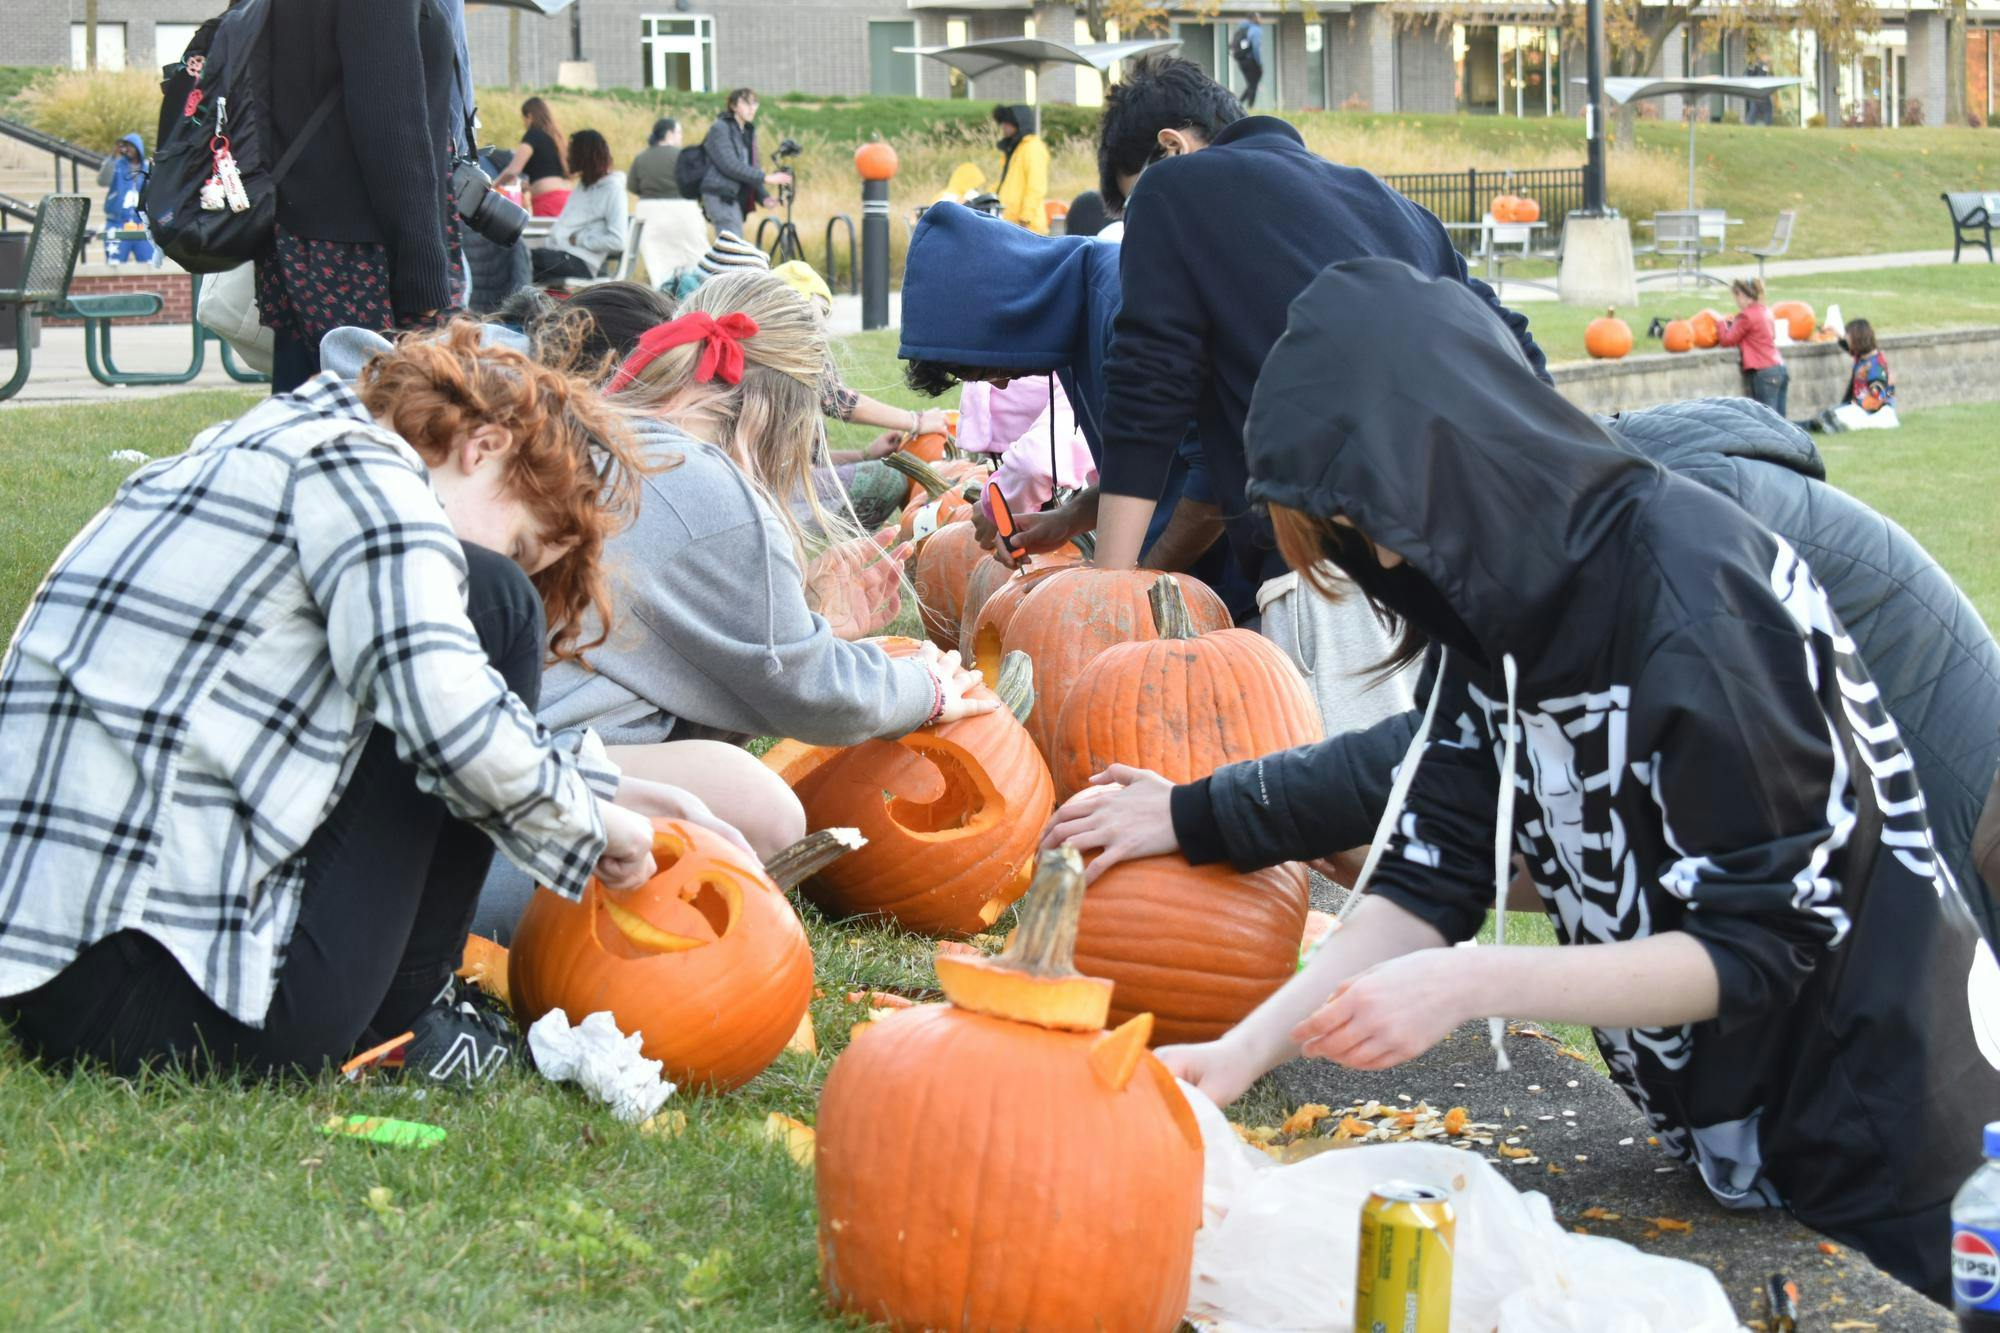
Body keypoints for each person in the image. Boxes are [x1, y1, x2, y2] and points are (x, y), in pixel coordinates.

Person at [1060, 257, 2000, 1299]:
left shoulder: (1693, 599)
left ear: (1442, 469)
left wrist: (1470, 984)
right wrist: (1236, 1054)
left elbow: (1759, 941)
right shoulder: (1492, 616)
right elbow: (1428, 874)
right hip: (1744, 1144)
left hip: (1901, 1147)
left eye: (1365, 527)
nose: (1375, 562)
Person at [0, 323, 742, 1084]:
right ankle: (413, 1015)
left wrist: (600, 781)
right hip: (161, 997)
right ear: (481, 446)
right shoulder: (371, 477)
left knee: (478, 614)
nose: (509, 562)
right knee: (495, 606)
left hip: (49, 960)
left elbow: (373, 694)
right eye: (521, 541)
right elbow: (443, 711)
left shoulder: (272, 439)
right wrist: (597, 827)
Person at [1052, 390, 2000, 941]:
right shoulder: (1569, 510)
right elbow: (1518, 800)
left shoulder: (1627, 542)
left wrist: (1198, 810)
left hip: (1951, 794)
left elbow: (1430, 756)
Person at [450, 277, 996, 942]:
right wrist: (926, 688)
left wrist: (809, 613)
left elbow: (681, 666)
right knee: (764, 813)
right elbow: (810, 688)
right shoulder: (708, 484)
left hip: (454, 776)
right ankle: (583, 938)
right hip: (501, 832)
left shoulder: (607, 428)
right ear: (776, 416)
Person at [1039, 58, 1545, 733]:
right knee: (1453, 813)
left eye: (1131, 209)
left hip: (1328, 573)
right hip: (1469, 556)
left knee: (1354, 823)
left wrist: (1109, 596)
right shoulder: (1389, 203)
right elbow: (1514, 347)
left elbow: (1147, 393)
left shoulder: (1174, 191)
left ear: (1172, 148)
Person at [259, 0, 464, 395]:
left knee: (309, 415)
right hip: (360, 253)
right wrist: (423, 269)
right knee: (378, 427)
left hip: (310, 233)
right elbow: (390, 120)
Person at [531, 129, 627, 284]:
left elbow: (618, 241)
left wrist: (581, 240)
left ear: (584, 155)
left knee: (523, 259)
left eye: (571, 151)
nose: (567, 157)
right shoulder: (583, 186)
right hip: (560, 254)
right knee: (517, 257)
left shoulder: (613, 189)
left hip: (582, 262)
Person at [700, 88, 791, 241]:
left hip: (733, 196)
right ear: (733, 106)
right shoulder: (720, 128)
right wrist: (766, 178)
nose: (751, 107)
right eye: (745, 103)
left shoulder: (748, 132)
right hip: (719, 194)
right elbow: (729, 165)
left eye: (754, 103)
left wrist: (763, 197)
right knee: (732, 245)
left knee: (733, 244)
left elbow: (751, 169)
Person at [628, 117, 707, 286]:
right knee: (693, 259)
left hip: (649, 214)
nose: (681, 137)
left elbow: (632, 186)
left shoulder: (641, 157)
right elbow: (696, 184)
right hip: (683, 212)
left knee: (659, 263)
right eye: (679, 133)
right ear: (669, 134)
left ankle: (663, 296)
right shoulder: (681, 155)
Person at [1804, 318, 1898, 433]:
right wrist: (1836, 334)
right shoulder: (1863, 357)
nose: (1847, 339)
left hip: (1872, 412)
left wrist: (1852, 407)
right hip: (1858, 408)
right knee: (1824, 417)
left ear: (1857, 339)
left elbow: (1876, 401)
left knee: (1829, 417)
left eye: (1848, 336)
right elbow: (1847, 346)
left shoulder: (1876, 366)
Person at [1718, 276, 1786, 416]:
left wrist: (1721, 323)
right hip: (1779, 368)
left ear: (1742, 295)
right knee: (1781, 420)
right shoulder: (1765, 311)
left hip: (1763, 371)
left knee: (1767, 419)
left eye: (1736, 296)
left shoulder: (1746, 316)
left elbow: (1727, 340)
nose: (1736, 301)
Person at [494, 97, 571, 219]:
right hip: (566, 197)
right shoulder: (557, 138)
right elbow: (547, 171)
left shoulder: (533, 135)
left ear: (529, 116)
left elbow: (513, 170)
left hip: (548, 200)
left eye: (523, 119)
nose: (524, 123)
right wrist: (529, 186)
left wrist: (493, 186)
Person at [95, 133, 154, 263]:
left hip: (141, 224)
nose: (127, 150)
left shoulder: (146, 167)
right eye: (125, 146)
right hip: (117, 222)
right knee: (114, 263)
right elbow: (102, 181)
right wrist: (112, 157)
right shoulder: (117, 165)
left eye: (131, 146)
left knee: (149, 264)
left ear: (138, 148)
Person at [992, 104, 1050, 234]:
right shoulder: (1016, 149)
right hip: (1012, 225)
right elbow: (1006, 184)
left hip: (1028, 228)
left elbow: (1036, 187)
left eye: (1007, 122)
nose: (1003, 126)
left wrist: (1025, 218)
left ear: (1018, 123)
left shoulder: (1033, 148)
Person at [1230, 13, 1264, 108]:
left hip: (1241, 61)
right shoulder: (1255, 29)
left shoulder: (1242, 28)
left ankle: (1238, 104)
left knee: (1251, 84)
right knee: (1253, 84)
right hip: (1251, 60)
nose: (1261, 19)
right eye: (1259, 17)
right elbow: (1256, 47)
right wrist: (1259, 62)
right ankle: (1250, 107)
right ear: (1255, 19)